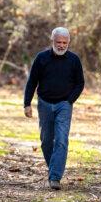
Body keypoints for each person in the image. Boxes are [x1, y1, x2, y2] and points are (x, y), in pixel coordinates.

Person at [24, 27, 85, 190]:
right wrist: (27, 103)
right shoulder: (42, 58)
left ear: (68, 43)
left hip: (64, 105)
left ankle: (55, 177)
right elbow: (32, 82)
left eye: (65, 43)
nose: (61, 45)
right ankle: (54, 168)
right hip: (44, 103)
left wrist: (69, 101)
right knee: (46, 141)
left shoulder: (74, 60)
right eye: (58, 42)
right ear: (52, 41)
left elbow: (80, 83)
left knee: (61, 139)